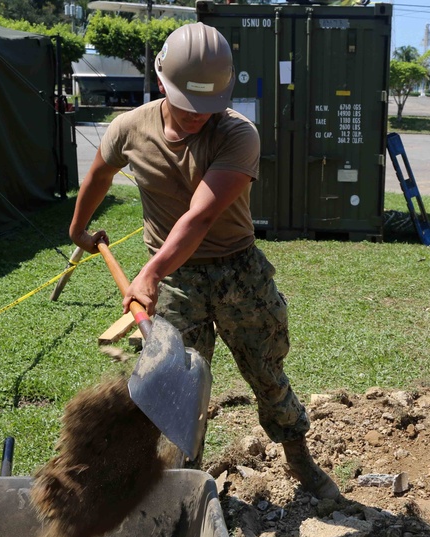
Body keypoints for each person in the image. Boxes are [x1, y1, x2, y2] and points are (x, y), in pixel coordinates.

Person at [67, 23, 340, 500]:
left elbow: (201, 215)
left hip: (238, 272)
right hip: (175, 283)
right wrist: (77, 230)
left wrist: (149, 273)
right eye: (188, 105)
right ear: (161, 84)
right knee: (176, 392)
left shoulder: (238, 135)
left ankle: (300, 461)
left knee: (266, 374)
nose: (198, 116)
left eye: (208, 106)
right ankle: (184, 488)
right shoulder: (129, 129)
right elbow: (98, 175)